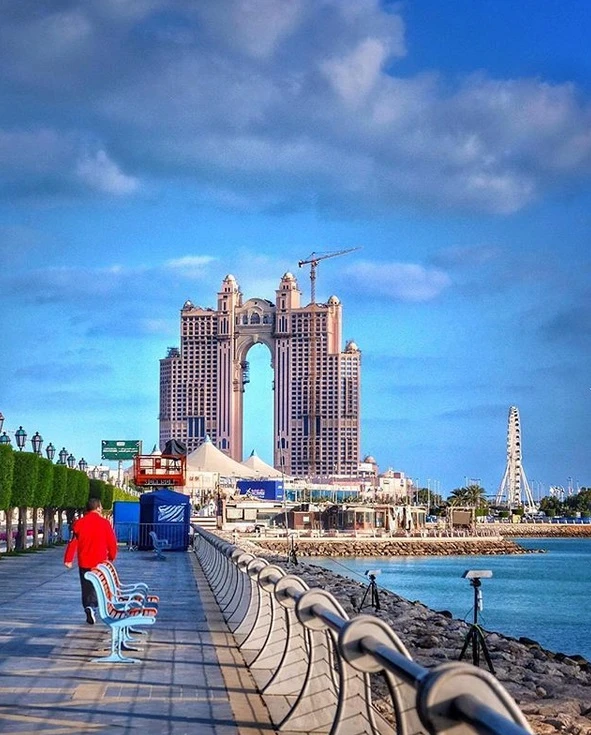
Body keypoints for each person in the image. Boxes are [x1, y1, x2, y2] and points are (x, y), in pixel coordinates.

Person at [64, 498, 118, 624]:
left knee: (87, 587)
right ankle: (95, 606)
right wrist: (112, 557)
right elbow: (112, 543)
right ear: (98, 508)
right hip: (100, 562)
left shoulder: (79, 523)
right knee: (100, 586)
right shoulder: (104, 523)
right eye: (101, 507)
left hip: (84, 561)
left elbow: (73, 542)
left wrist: (68, 559)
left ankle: (89, 606)